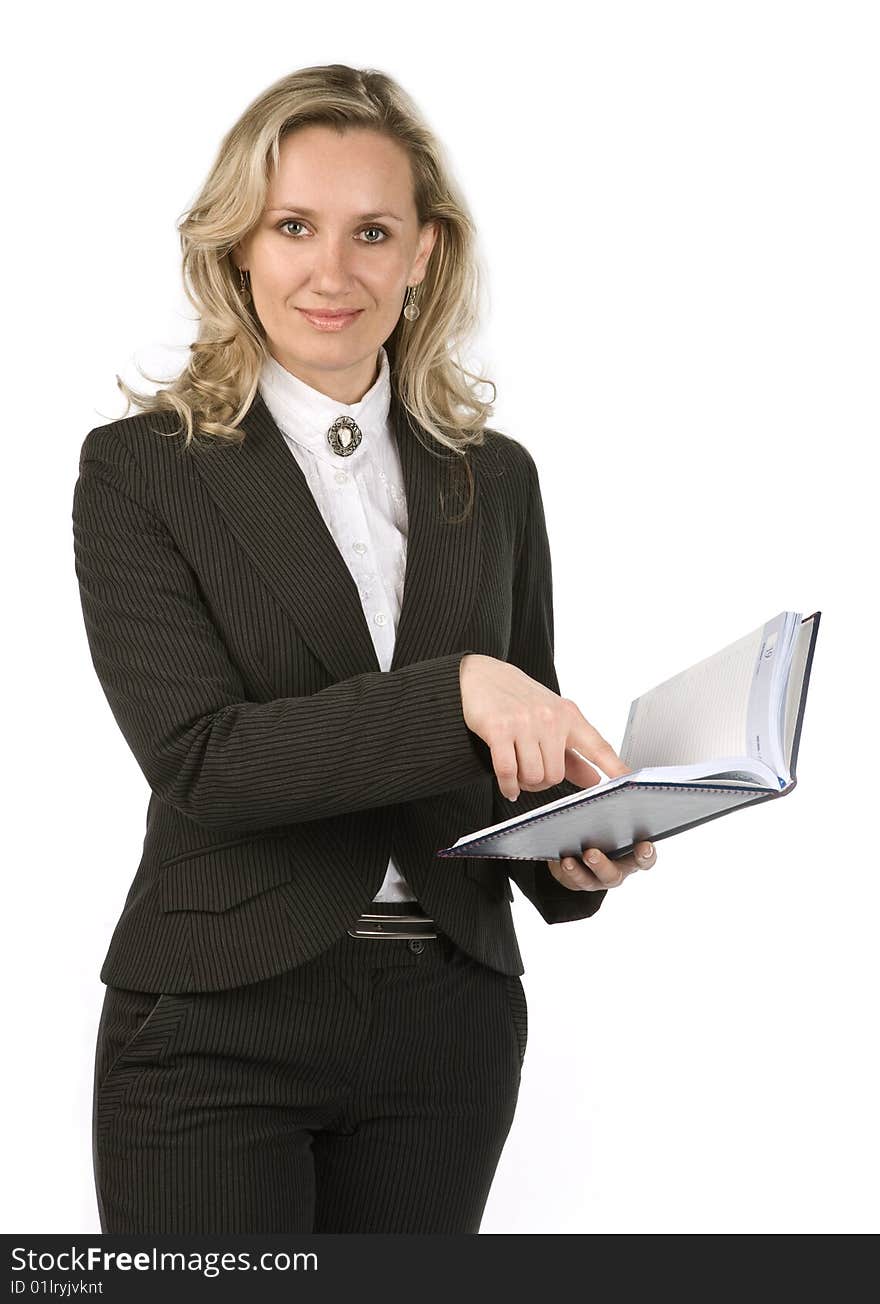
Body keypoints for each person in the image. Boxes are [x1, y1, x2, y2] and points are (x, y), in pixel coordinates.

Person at [72, 62, 657, 1236]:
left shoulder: (495, 480)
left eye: (371, 231)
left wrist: (573, 853)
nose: (331, 272)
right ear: (240, 243)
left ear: (423, 252)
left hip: (446, 1029)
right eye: (294, 226)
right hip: (218, 1023)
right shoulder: (142, 470)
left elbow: (509, 753)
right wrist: (455, 690)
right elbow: (207, 763)